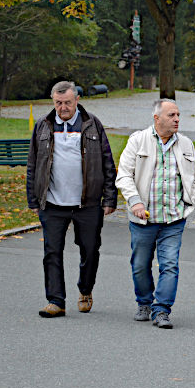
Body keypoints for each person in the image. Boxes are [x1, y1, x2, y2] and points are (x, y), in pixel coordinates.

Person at [26, 80, 117, 318]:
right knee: (52, 251)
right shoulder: (43, 126)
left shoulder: (92, 124)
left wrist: (109, 198)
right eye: (58, 103)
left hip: (87, 203)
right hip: (53, 203)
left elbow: (107, 162)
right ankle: (56, 301)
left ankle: (85, 290)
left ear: (77, 100)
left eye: (67, 102)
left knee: (90, 249)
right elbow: (33, 165)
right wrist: (34, 200)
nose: (63, 107)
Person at [115, 99, 195, 329]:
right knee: (140, 265)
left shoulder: (186, 144)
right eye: (171, 115)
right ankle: (144, 302)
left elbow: (194, 176)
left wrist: (187, 200)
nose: (176, 119)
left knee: (170, 264)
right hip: (143, 220)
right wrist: (134, 202)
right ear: (157, 118)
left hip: (174, 218)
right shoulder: (138, 141)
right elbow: (124, 175)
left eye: (178, 115)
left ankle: (162, 310)